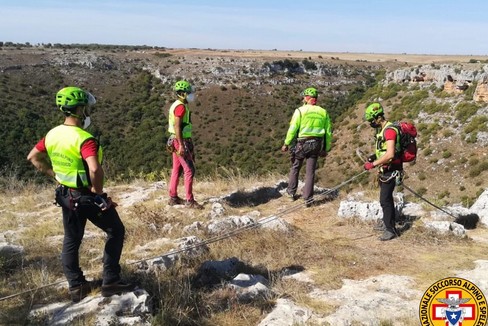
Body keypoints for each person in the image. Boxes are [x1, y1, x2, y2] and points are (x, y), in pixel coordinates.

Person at [27, 86, 134, 302]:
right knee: (116, 231)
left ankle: (76, 286)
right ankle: (111, 280)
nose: (87, 111)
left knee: (72, 239)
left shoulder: (53, 134)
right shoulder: (85, 139)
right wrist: (99, 193)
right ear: (79, 109)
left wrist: (54, 174)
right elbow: (94, 169)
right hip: (86, 196)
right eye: (85, 107)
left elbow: (33, 157)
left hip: (67, 196)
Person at [281, 87, 332, 206]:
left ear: (307, 98)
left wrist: (286, 143)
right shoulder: (323, 112)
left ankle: (290, 193)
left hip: (302, 143)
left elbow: (293, 129)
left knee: (295, 167)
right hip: (317, 144)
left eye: (304, 97)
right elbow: (328, 132)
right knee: (310, 172)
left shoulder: (300, 111)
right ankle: (307, 199)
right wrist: (326, 148)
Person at [363, 102, 402, 241]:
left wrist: (372, 164)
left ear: (378, 117)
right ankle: (387, 222)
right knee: (386, 199)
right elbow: (384, 150)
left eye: (372, 120)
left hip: (391, 169)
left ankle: (390, 230)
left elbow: (390, 154)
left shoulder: (389, 131)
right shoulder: (382, 129)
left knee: (385, 200)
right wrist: (374, 157)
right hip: (385, 168)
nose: (371, 123)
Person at [167, 80, 203, 209]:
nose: (191, 95)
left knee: (177, 169)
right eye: (189, 93)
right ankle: (190, 200)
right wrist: (181, 145)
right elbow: (177, 126)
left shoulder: (176, 105)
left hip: (175, 140)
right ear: (182, 94)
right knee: (189, 170)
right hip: (180, 141)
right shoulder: (181, 107)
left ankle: (173, 197)